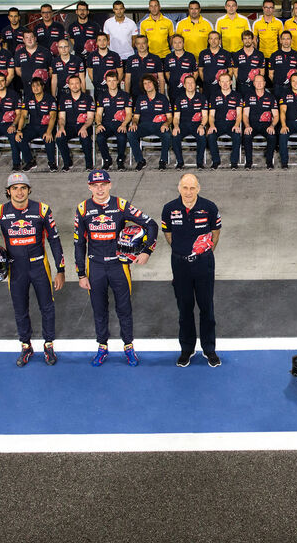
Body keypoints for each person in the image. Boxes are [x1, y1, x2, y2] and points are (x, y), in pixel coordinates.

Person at [0, 173, 66, 367]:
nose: (19, 192)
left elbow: (54, 240)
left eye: (23, 187)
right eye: (15, 188)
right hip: (15, 268)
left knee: (47, 307)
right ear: (8, 191)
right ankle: (25, 346)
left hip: (40, 266)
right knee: (20, 309)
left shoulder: (42, 209)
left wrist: (60, 269)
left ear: (29, 190)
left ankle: (48, 345)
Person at [74, 168, 159, 367]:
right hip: (94, 266)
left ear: (110, 184)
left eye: (103, 184)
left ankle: (128, 347)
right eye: (95, 185)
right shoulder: (82, 209)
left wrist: (147, 251)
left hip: (119, 265)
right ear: (89, 187)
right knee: (99, 309)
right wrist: (80, 273)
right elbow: (79, 243)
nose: (100, 189)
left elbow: (151, 224)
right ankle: (102, 347)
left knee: (124, 308)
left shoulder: (121, 205)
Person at [162, 173, 222, 367]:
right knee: (184, 309)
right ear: (179, 188)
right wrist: (183, 252)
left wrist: (201, 254)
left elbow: (215, 233)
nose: (188, 192)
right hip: (180, 265)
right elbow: (168, 235)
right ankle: (187, 349)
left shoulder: (210, 207)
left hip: (203, 264)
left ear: (199, 188)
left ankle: (209, 349)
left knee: (207, 307)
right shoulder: (169, 209)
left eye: (192, 188)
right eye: (185, 188)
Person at [127, 74, 173, 170]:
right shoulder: (140, 99)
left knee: (167, 135)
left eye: (149, 83)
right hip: (144, 126)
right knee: (131, 133)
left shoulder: (163, 98)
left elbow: (170, 117)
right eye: (145, 84)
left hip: (159, 125)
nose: (147, 85)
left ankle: (163, 161)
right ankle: (140, 160)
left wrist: (166, 123)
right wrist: (134, 123)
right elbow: (135, 117)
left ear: (154, 84)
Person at [56, 74, 96, 171]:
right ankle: (67, 162)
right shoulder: (64, 99)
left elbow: (90, 118)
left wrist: (84, 127)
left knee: (85, 138)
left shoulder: (88, 99)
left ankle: (89, 164)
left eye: (77, 83)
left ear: (81, 84)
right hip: (69, 126)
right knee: (60, 137)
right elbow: (61, 118)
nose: (75, 86)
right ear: (69, 85)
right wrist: (61, 127)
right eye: (72, 84)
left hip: (84, 126)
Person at [16, 76, 57, 170]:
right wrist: (19, 130)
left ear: (42, 86)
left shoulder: (50, 99)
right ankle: (30, 161)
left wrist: (49, 131)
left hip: (46, 126)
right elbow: (23, 115)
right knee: (20, 138)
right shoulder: (28, 98)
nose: (35, 88)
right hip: (32, 126)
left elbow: (53, 116)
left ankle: (52, 163)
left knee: (48, 138)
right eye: (33, 86)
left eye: (38, 86)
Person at [171, 74, 209, 169]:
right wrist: (175, 126)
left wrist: (202, 125)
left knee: (202, 137)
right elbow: (176, 117)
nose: (190, 85)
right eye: (188, 83)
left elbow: (205, 116)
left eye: (192, 83)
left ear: (195, 84)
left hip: (197, 125)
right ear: (184, 85)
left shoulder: (202, 97)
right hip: (182, 125)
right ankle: (180, 162)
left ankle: (199, 162)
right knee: (175, 136)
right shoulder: (179, 99)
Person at [94, 72, 131, 170]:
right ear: (106, 82)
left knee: (122, 138)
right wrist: (98, 124)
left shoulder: (125, 95)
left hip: (120, 124)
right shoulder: (102, 96)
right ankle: (107, 160)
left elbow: (129, 114)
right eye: (109, 81)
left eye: (114, 80)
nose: (112, 83)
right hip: (106, 124)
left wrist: (124, 125)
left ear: (118, 81)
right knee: (100, 138)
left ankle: (120, 160)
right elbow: (98, 114)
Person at [207, 73, 243, 168]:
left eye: (227, 81)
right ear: (219, 83)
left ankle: (234, 162)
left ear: (231, 82)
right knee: (211, 136)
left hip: (232, 123)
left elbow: (239, 114)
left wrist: (237, 125)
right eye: (222, 81)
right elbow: (211, 115)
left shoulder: (237, 95)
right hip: (218, 123)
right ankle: (216, 161)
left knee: (237, 136)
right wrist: (211, 125)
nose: (225, 84)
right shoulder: (214, 96)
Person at [15, 30, 53, 95]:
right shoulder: (18, 53)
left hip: (43, 88)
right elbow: (17, 70)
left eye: (31, 37)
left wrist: (44, 78)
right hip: (27, 88)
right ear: (23, 40)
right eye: (27, 38)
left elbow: (51, 69)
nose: (29, 40)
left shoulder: (45, 52)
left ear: (35, 38)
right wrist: (26, 76)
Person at [199, 31, 234, 98]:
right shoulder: (203, 53)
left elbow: (231, 70)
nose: (213, 41)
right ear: (208, 40)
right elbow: (200, 70)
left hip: (222, 88)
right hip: (207, 88)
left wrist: (225, 82)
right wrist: (205, 80)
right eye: (211, 39)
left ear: (219, 40)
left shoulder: (226, 54)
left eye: (216, 38)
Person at [88, 33, 124, 98]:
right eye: (99, 40)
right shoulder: (91, 56)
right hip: (99, 90)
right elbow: (90, 71)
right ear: (96, 43)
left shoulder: (115, 55)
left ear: (108, 41)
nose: (102, 42)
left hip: (113, 90)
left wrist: (114, 84)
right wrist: (95, 83)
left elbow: (120, 72)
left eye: (104, 40)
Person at [165, 34, 198, 102]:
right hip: (173, 90)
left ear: (183, 43)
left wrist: (189, 84)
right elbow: (167, 73)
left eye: (179, 42)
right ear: (172, 44)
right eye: (175, 42)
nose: (177, 45)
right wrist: (172, 82)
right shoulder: (168, 57)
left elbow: (195, 72)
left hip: (187, 90)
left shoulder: (190, 56)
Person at [269, 31, 297, 98]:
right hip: (278, 87)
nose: (286, 41)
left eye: (288, 39)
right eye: (284, 39)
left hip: (292, 87)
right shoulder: (274, 55)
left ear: (291, 40)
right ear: (280, 41)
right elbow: (270, 74)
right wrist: (278, 82)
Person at [234, 31, 266, 97]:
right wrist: (241, 80)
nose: (247, 41)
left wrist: (257, 83)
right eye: (245, 38)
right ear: (242, 40)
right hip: (241, 87)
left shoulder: (260, 54)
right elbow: (235, 71)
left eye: (249, 38)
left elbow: (262, 71)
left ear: (252, 40)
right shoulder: (237, 54)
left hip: (255, 87)